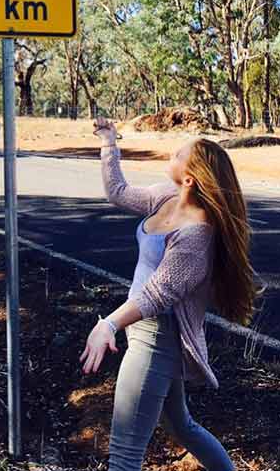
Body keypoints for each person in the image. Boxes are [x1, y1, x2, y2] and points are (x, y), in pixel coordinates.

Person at [79, 116, 263, 471]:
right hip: (144, 331)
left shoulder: (197, 236)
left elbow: (157, 294)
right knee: (182, 426)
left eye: (178, 153)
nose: (171, 152)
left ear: (190, 178)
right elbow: (118, 192)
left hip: (156, 340)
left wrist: (109, 325)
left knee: (124, 457)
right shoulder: (166, 196)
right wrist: (108, 143)